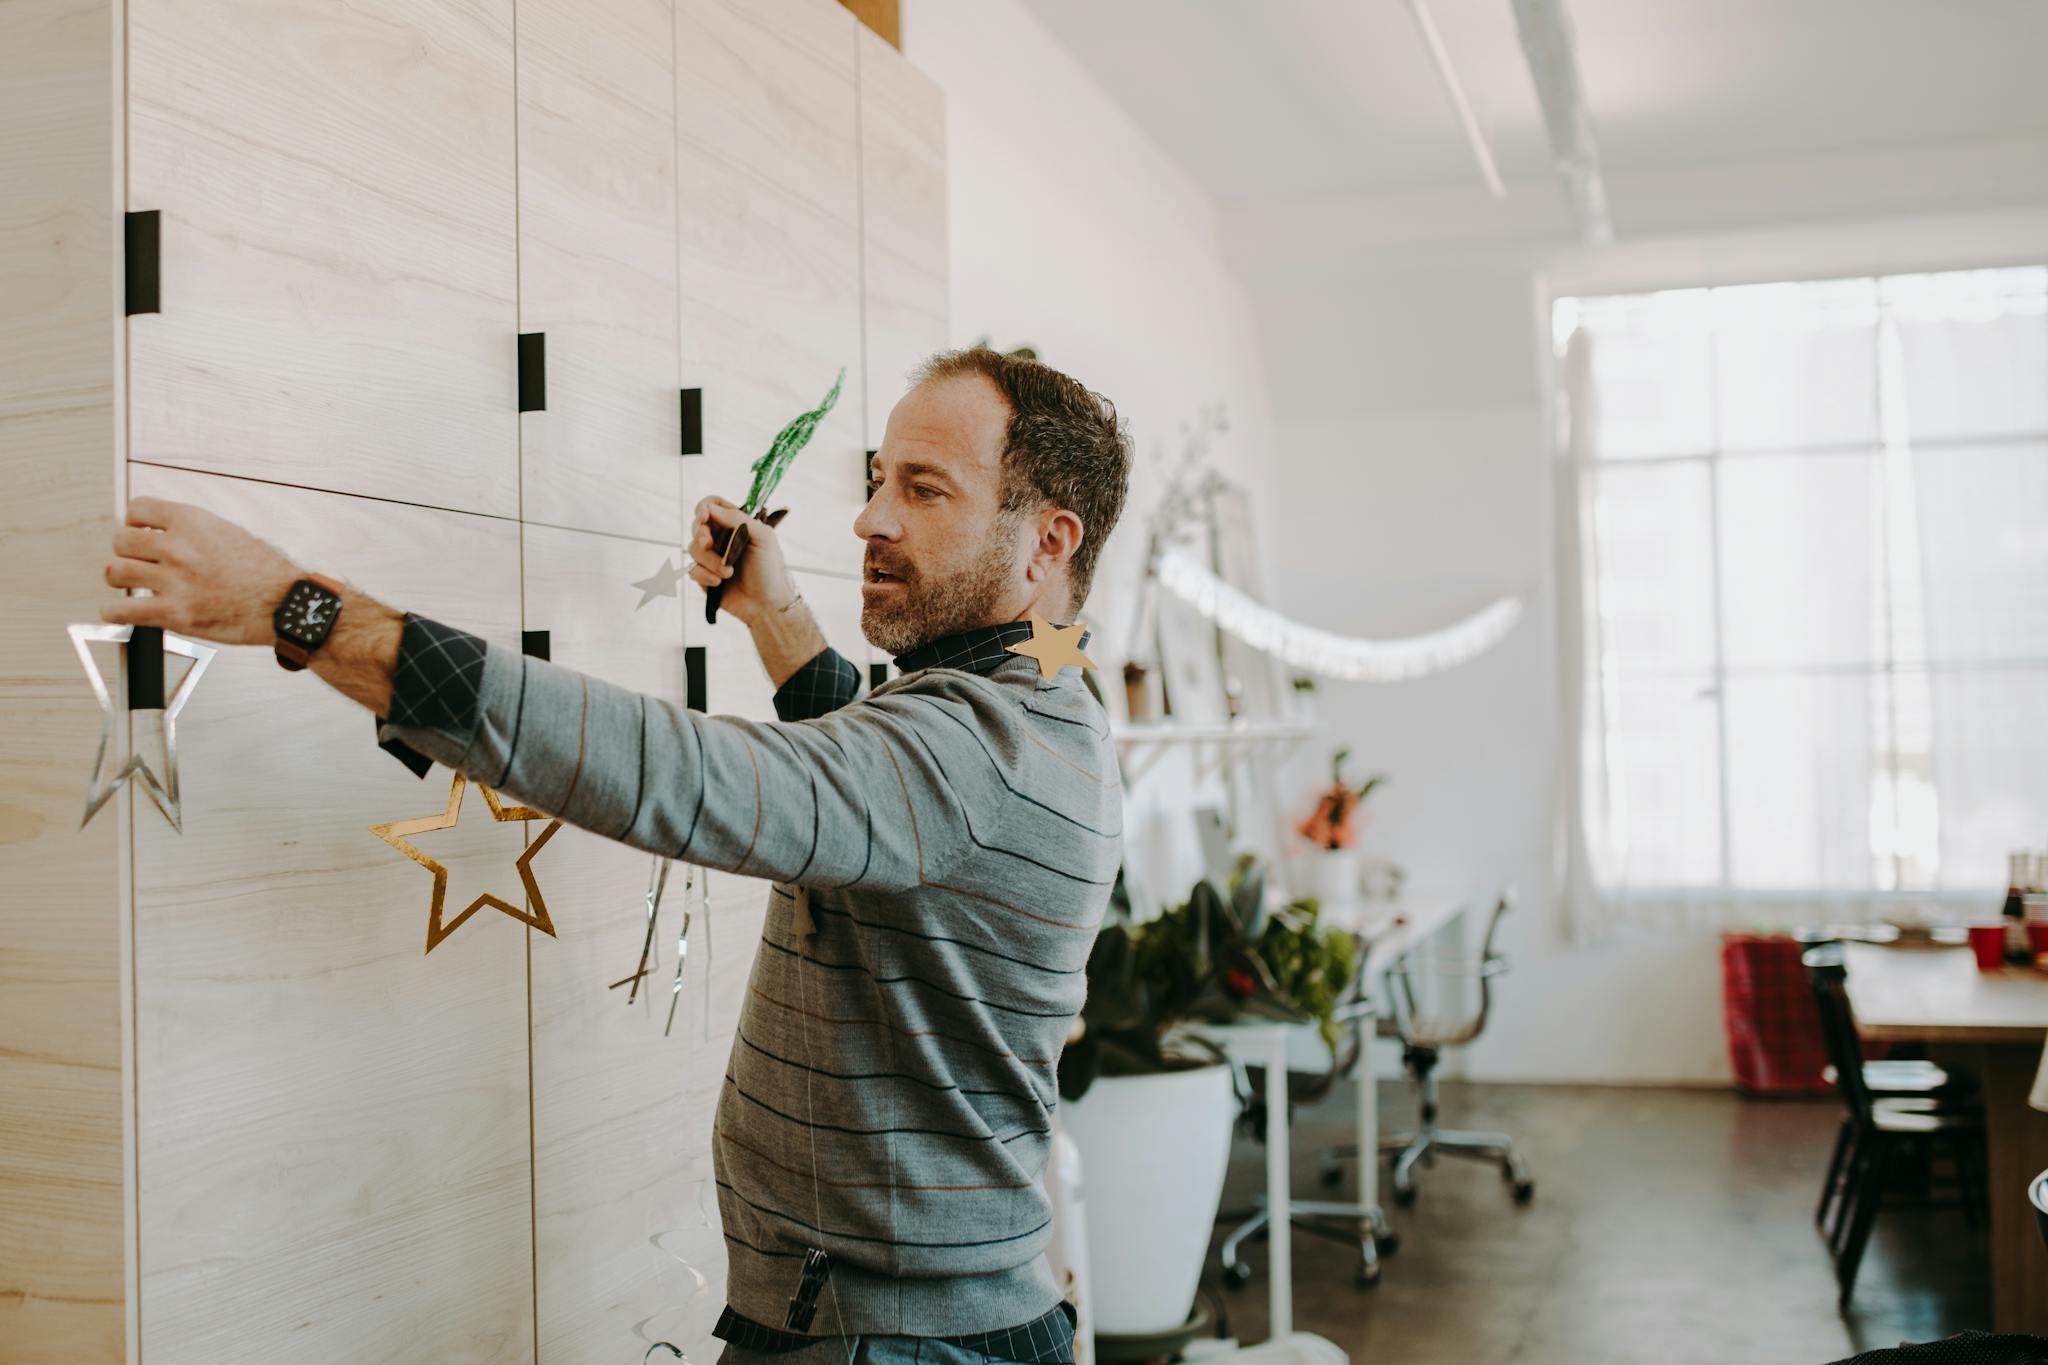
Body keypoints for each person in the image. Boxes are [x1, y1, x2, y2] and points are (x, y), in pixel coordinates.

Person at [100, 347, 1132, 1365]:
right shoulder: (1046, 691)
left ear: (1046, 540)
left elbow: (692, 775)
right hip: (910, 1317)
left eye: (924, 489)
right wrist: (770, 610)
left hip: (888, 1337)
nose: (869, 519)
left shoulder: (977, 752)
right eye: (875, 481)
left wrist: (299, 609)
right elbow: (874, 777)